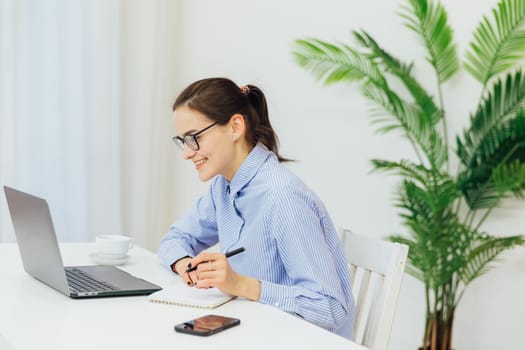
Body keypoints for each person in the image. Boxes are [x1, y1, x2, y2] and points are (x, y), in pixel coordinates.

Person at [158, 77, 355, 339]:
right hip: (254, 333)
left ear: (235, 127)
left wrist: (240, 284)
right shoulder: (223, 187)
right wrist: (185, 266)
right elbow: (175, 239)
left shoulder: (283, 198)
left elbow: (330, 309)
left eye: (194, 138)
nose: (187, 153)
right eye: (182, 141)